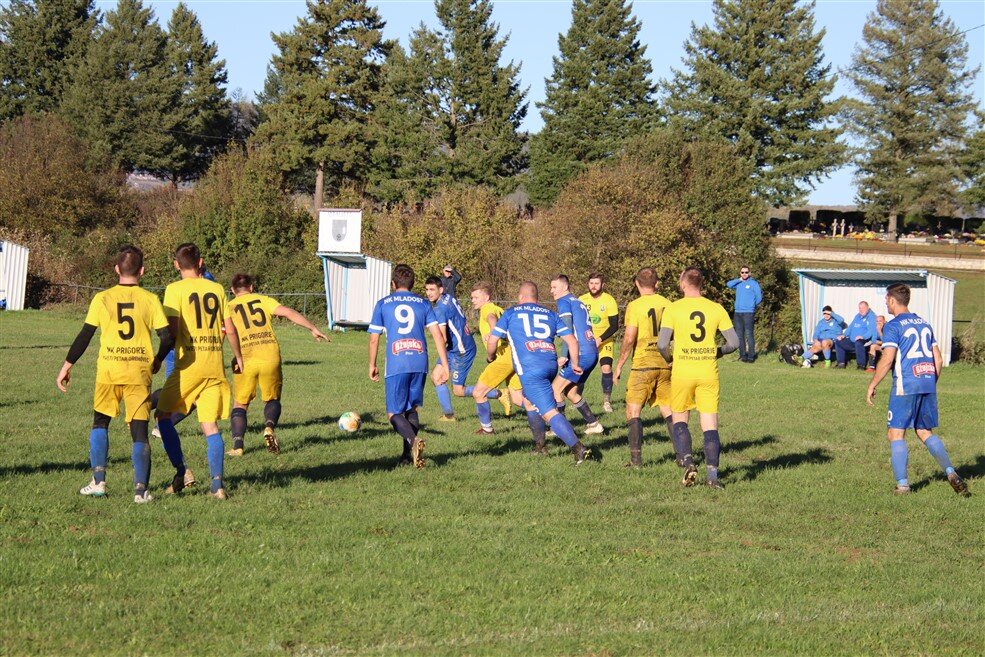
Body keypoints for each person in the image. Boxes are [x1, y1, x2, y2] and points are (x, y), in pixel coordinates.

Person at [55, 246, 173, 503]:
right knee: (140, 431)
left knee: (100, 422)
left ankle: (98, 482)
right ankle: (141, 492)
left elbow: (85, 334)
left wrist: (67, 364)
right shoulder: (151, 299)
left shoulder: (102, 298)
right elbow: (167, 337)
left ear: (117, 269)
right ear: (142, 271)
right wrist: (157, 360)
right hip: (138, 371)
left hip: (109, 369)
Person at [156, 243, 243, 500]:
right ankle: (217, 486)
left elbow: (171, 332)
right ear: (201, 262)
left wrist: (159, 357)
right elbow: (230, 328)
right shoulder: (216, 289)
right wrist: (238, 357)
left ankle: (182, 471)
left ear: (176, 265)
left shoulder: (174, 289)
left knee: (162, 418)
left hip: (188, 366)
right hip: (214, 365)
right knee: (211, 427)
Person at [866, 283, 968, 496]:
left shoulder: (893, 326)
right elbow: (938, 359)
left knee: (896, 433)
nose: (885, 303)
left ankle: (903, 485)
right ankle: (950, 472)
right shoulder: (924, 324)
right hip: (927, 382)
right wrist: (930, 382)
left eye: (886, 300)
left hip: (906, 385)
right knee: (923, 431)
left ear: (893, 300)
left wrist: (873, 383)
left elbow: (887, 358)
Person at [488, 282, 592, 464]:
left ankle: (578, 448)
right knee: (529, 401)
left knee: (549, 413)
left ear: (520, 297)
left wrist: (490, 356)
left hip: (530, 369)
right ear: (536, 297)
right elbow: (572, 341)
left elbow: (493, 339)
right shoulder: (551, 314)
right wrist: (574, 363)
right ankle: (540, 446)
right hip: (550, 365)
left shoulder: (511, 313)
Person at [226, 273, 329, 457]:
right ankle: (269, 427)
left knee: (240, 404)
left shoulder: (229, 307)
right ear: (251, 287)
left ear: (233, 290)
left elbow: (227, 332)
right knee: (272, 400)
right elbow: (288, 312)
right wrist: (313, 328)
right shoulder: (262, 300)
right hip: (269, 355)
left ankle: (238, 446)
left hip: (245, 357)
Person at [658, 267, 739, 489]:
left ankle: (688, 463)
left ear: (683, 283)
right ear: (701, 284)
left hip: (683, 370)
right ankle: (712, 477)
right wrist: (716, 352)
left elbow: (662, 344)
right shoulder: (716, 308)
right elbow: (734, 343)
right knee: (709, 423)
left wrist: (669, 358)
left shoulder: (673, 308)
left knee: (680, 419)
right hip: (707, 371)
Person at [368, 264, 450, 467]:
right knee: (412, 408)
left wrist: (372, 364)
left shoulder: (383, 303)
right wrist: (445, 365)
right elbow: (438, 335)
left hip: (397, 361)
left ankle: (414, 442)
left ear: (393, 283)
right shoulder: (423, 304)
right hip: (419, 360)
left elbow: (373, 338)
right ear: (413, 284)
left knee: (394, 413)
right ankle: (408, 456)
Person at [613, 267, 673, 468]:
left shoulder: (635, 306)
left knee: (633, 411)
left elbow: (629, 337)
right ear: (657, 284)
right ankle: (683, 456)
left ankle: (636, 460)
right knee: (669, 410)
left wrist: (620, 364)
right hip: (665, 364)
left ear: (636, 284)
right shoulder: (668, 304)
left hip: (643, 365)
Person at [550, 275, 604, 435]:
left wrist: (564, 355)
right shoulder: (578, 301)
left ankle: (558, 429)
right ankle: (593, 424)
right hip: (592, 352)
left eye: (554, 287)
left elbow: (567, 330)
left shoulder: (563, 301)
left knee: (555, 390)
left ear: (564, 287)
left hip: (580, 354)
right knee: (571, 393)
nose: (551, 291)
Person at [469, 282, 524, 434]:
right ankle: (549, 416)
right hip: (513, 354)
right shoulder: (499, 308)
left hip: (502, 356)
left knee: (478, 393)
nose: (473, 300)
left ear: (486, 297)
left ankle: (487, 429)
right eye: (472, 297)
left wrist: (494, 333)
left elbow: (492, 319)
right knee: (518, 398)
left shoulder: (487, 308)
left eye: (476, 297)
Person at [424, 276, 477, 421]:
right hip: (458, 346)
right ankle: (449, 416)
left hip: (462, 350)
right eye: (427, 289)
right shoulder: (449, 297)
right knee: (436, 377)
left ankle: (498, 394)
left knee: (458, 391)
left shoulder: (439, 309)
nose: (429, 293)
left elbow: (443, 339)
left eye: (432, 289)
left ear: (440, 289)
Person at [579, 273, 620, 412]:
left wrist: (599, 339)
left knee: (606, 368)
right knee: (580, 370)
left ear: (603, 285)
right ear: (588, 284)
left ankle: (606, 402)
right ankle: (576, 398)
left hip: (604, 341)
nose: (594, 286)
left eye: (597, 283)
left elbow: (614, 326)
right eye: (591, 283)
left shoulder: (609, 300)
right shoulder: (581, 300)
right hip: (586, 342)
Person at [725, 265, 763, 362]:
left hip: (748, 313)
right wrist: (739, 280)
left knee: (749, 334)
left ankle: (751, 356)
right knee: (739, 335)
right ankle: (743, 355)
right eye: (742, 272)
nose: (744, 274)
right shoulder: (738, 283)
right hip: (738, 312)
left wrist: (751, 305)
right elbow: (728, 284)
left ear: (749, 273)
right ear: (740, 273)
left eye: (746, 272)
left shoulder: (753, 283)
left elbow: (759, 297)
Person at [835, 301, 878, 369]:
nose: (861, 310)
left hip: (865, 340)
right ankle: (841, 363)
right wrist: (844, 335)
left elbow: (871, 331)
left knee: (858, 343)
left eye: (863, 308)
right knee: (838, 341)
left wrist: (863, 336)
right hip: (853, 340)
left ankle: (861, 365)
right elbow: (851, 327)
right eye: (860, 308)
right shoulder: (857, 316)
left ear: (867, 308)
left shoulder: (872, 317)